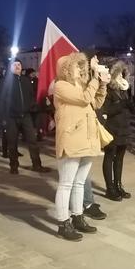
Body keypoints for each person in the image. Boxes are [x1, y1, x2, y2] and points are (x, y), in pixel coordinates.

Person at [53, 52, 109, 241]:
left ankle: (78, 216)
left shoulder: (83, 85)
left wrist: (102, 84)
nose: (81, 69)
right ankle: (63, 222)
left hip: (87, 139)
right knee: (66, 183)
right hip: (71, 140)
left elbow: (96, 102)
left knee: (79, 182)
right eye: (77, 66)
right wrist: (94, 79)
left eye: (81, 66)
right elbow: (84, 98)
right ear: (66, 68)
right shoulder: (60, 86)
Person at [2, 60, 50, 174]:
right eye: (15, 65)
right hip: (11, 117)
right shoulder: (6, 82)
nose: (17, 66)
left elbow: (31, 96)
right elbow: (2, 100)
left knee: (32, 141)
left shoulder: (26, 80)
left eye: (19, 64)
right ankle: (13, 166)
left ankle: (37, 165)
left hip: (26, 116)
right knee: (12, 142)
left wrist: (33, 108)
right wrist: (3, 118)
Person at [100, 61, 134, 201]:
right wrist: (121, 105)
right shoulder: (108, 90)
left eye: (123, 73)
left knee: (119, 159)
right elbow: (106, 110)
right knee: (109, 157)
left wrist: (130, 101)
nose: (121, 76)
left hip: (124, 128)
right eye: (119, 73)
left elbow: (130, 109)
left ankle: (118, 185)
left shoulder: (124, 90)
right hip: (112, 128)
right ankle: (110, 189)